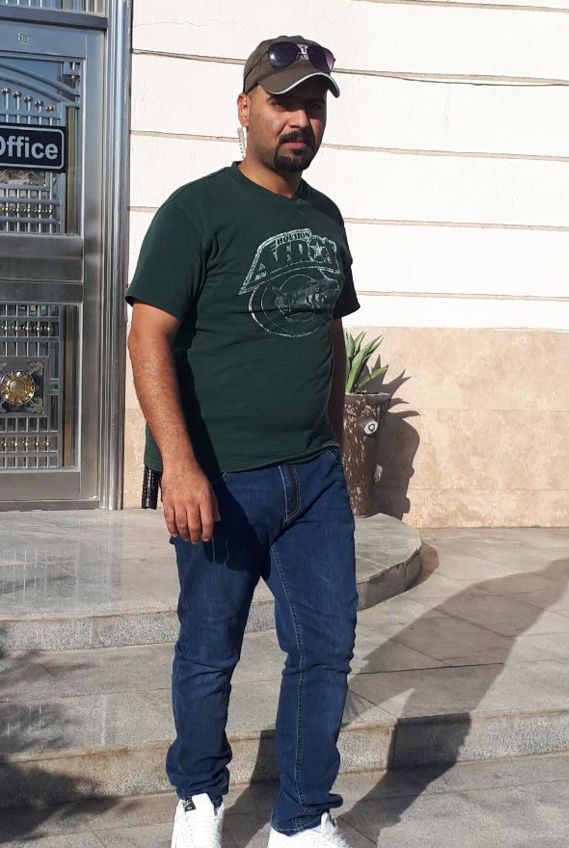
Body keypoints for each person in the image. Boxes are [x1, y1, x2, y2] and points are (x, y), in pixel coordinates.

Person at [126, 35, 360, 848]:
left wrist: (332, 444)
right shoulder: (195, 210)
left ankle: (301, 818)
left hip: (313, 480)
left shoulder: (325, 216)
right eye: (283, 101)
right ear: (245, 108)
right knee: (209, 651)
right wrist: (180, 466)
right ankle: (198, 797)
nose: (300, 119)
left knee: (325, 648)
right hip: (220, 477)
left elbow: (329, 331)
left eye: (314, 105)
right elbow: (147, 336)